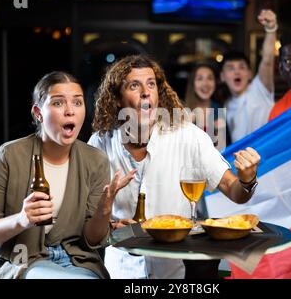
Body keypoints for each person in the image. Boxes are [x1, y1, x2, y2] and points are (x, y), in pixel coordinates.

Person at [88, 55, 260, 279]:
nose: (145, 92)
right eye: (134, 85)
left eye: (151, 84)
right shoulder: (100, 143)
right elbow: (87, 222)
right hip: (120, 272)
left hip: (174, 273)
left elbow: (236, 192)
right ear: (117, 99)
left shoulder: (189, 136)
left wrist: (247, 179)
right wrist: (109, 224)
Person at [0, 71, 131, 279]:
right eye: (58, 103)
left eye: (78, 102)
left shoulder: (95, 160)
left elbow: (92, 239)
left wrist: (104, 209)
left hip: (78, 262)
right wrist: (21, 220)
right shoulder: (8, 156)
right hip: (22, 261)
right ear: (38, 113)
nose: (70, 111)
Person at [221, 9, 277, 142]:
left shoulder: (259, 89)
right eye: (230, 68)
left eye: (242, 67)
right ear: (222, 77)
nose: (237, 72)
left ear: (250, 74)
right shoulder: (225, 106)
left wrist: (271, 29)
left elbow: (267, 61)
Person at [184, 62, 228, 151]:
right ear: (193, 84)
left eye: (210, 78)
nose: (205, 83)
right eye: (200, 79)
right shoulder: (183, 111)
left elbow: (225, 150)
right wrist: (185, 126)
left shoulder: (220, 110)